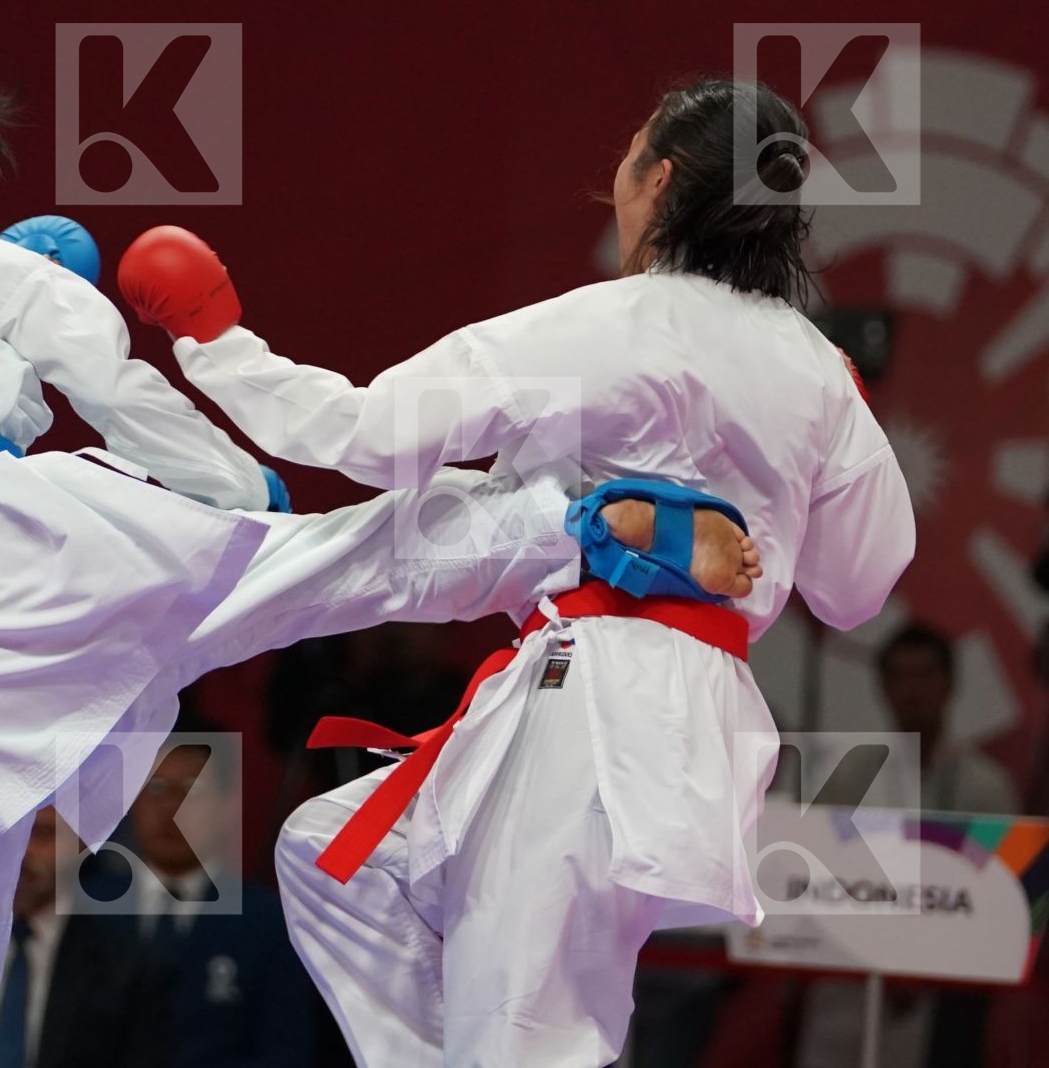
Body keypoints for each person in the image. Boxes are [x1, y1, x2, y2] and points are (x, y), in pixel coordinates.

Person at [0, 47, 760, 1067]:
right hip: (16, 541)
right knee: (314, 563)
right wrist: (227, 481)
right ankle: (576, 527)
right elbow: (110, 381)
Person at [121, 77, 917, 1066]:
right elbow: (859, 585)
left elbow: (366, 433)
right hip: (684, 719)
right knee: (339, 865)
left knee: (527, 1036)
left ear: (660, 179)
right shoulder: (813, 366)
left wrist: (213, 340)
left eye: (627, 159)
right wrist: (836, 417)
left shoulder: (611, 326)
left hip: (598, 710)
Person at [795, 623, 1018, 1068]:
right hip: (848, 980)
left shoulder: (986, 788)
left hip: (944, 992)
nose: (912, 690)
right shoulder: (852, 775)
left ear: (949, 683)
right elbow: (811, 880)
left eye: (924, 675)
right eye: (899, 677)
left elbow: (1000, 908)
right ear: (882, 688)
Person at [128, 731, 319, 1067]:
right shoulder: (84, 911)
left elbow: (288, 1051)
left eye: (192, 790)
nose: (172, 806)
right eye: (155, 788)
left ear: (228, 806)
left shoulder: (269, 924)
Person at [0, 808, 170, 1068]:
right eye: (7, 839)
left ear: (81, 844)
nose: (21, 855)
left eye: (41, 834)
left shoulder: (127, 967)